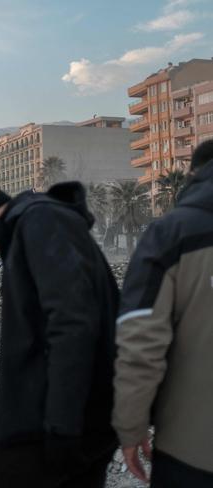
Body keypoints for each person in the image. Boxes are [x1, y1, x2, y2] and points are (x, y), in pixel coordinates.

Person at [0, 181, 119, 487]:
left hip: (50, 426)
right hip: (68, 421)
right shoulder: (32, 227)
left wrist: (62, 425)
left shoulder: (39, 221)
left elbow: (71, 322)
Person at [113, 140, 213, 487]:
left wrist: (130, 426)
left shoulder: (171, 233)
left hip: (193, 451)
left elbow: (141, 342)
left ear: (194, 175)